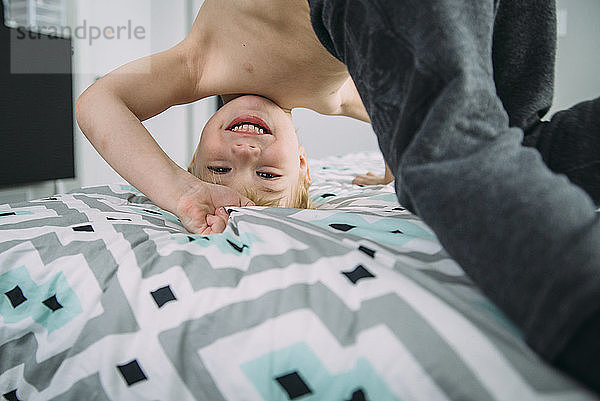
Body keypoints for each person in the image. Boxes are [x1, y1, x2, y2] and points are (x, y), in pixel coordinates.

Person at [75, 0, 600, 393]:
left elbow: (100, 99)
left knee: (450, 159)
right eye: (268, 178)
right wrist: (399, 159)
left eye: (218, 167)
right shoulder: (340, 94)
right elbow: (408, 102)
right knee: (516, 145)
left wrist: (182, 188)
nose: (247, 152)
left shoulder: (199, 60)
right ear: (303, 161)